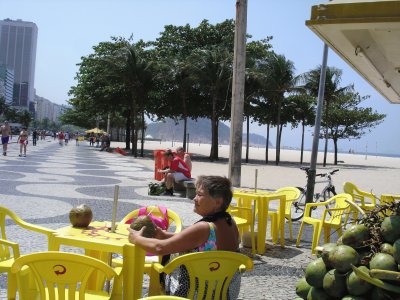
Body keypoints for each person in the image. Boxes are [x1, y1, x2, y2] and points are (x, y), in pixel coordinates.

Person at [128, 175, 241, 298]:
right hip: (224, 293)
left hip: (195, 293)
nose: (194, 198)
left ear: (218, 202)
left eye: (200, 195)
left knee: (162, 270)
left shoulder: (204, 228)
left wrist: (137, 239)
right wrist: (166, 235)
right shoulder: (230, 223)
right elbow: (199, 242)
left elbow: (159, 248)